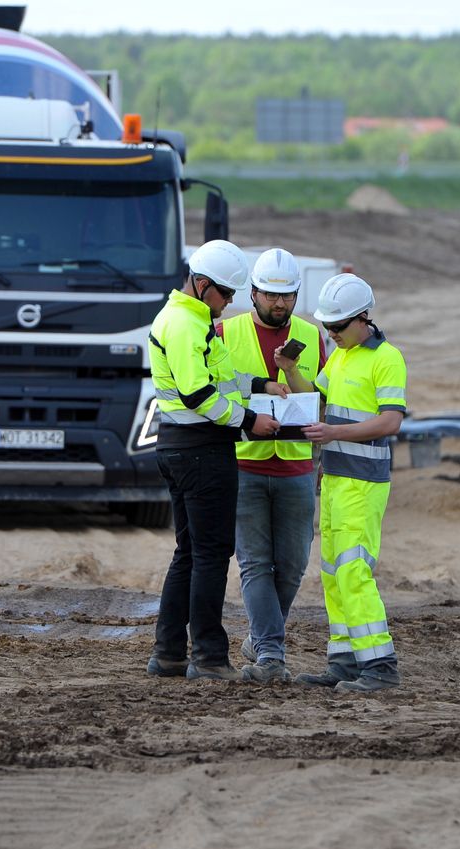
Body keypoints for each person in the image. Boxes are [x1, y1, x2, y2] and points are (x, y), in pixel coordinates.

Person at [145, 239, 283, 681]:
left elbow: (221, 376)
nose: (229, 302)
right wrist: (249, 422)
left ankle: (168, 653)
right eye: (225, 293)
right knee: (210, 555)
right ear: (202, 284)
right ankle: (208, 656)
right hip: (200, 449)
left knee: (188, 553)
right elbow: (199, 394)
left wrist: (261, 384)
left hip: (183, 447)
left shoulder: (192, 319)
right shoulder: (186, 325)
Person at [275, 273, 405, 693]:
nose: (331, 334)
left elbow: (390, 421)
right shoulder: (343, 356)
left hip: (364, 483)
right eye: (327, 328)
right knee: (333, 573)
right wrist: (291, 371)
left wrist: (333, 434)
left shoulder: (387, 358)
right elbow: (317, 399)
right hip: (333, 481)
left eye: (337, 327)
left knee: (353, 572)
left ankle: (380, 665)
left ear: (362, 318)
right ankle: (345, 661)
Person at [217, 248, 327, 683]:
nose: (280, 304)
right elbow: (218, 397)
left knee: (295, 565)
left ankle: (262, 636)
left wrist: (292, 370)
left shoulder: (310, 335)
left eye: (287, 296)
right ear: (254, 292)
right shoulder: (225, 333)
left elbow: (317, 398)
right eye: (271, 295)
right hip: (245, 464)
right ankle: (271, 655)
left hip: (297, 466)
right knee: (256, 563)